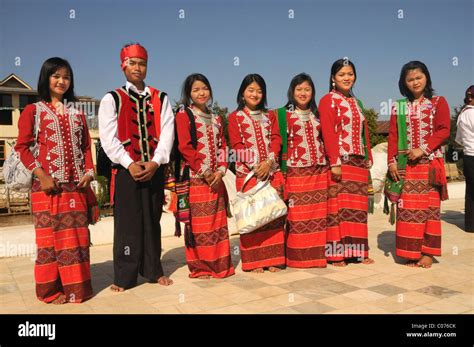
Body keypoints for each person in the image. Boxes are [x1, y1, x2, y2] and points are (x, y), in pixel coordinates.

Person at [15, 57, 98, 304]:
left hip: (75, 187)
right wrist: (42, 175)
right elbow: (22, 147)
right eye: (56, 76)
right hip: (47, 188)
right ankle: (49, 291)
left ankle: (77, 289)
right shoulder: (33, 111)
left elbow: (86, 147)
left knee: (76, 240)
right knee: (49, 242)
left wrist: (89, 172)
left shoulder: (78, 115)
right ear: (46, 78)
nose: (61, 81)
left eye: (66, 77)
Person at [98, 43, 174, 291]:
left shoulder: (160, 98)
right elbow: (108, 138)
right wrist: (130, 163)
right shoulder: (112, 98)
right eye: (132, 63)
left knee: (153, 219)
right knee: (127, 223)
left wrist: (155, 161)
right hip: (125, 170)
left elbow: (167, 135)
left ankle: (153, 270)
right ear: (123, 65)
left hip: (154, 168)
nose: (138, 68)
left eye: (142, 63)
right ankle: (124, 276)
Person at [387, 61, 450, 268]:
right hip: (406, 168)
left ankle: (428, 253)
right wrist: (391, 162)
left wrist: (422, 149)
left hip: (430, 165)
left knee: (430, 210)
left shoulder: (439, 102)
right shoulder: (399, 106)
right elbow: (394, 136)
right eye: (410, 79)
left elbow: (443, 130)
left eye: (419, 77)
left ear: (426, 78)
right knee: (408, 211)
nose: (415, 82)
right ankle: (410, 252)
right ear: (404, 83)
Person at [174, 73, 235, 279]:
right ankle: (201, 268)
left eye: (204, 88)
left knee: (217, 224)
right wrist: (206, 171)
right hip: (196, 179)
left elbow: (223, 147)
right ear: (189, 94)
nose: (201, 93)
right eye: (196, 89)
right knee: (199, 226)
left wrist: (221, 170)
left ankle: (220, 265)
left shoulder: (217, 118)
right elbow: (185, 147)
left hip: (216, 180)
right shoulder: (184, 115)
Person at [228, 74, 286, 273]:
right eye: (251, 90)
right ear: (242, 93)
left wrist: (268, 162)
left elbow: (277, 139)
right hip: (248, 175)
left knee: (272, 216)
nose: (255, 94)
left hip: (270, 172)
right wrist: (256, 166)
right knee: (253, 218)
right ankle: (254, 262)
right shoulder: (234, 118)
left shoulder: (270, 116)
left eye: (259, 91)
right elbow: (236, 145)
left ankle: (273, 259)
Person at [319, 59, 374, 267]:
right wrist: (334, 161)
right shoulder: (328, 100)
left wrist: (368, 155)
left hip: (358, 162)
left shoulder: (357, 102)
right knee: (338, 209)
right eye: (342, 74)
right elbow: (328, 132)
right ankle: (336, 255)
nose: (346, 78)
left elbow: (363, 131)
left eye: (350, 74)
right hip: (340, 160)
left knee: (357, 210)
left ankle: (357, 252)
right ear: (333, 78)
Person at [277, 73, 329, 268]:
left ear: (313, 92)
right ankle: (296, 258)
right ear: (292, 92)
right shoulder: (283, 115)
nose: (303, 93)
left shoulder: (319, 115)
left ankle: (316, 257)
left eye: (307, 89)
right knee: (297, 216)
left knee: (317, 217)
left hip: (319, 171)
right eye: (299, 89)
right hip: (295, 172)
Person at [455, 85, 474, 233]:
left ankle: (470, 225)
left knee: (470, 192)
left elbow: (459, 140)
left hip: (468, 155)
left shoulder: (462, 114)